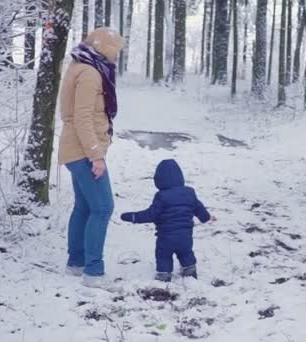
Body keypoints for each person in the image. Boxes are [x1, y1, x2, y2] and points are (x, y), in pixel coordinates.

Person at [57, 28, 124, 289]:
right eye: (115, 50)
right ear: (104, 48)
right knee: (103, 207)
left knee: (84, 206)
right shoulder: (89, 73)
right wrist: (96, 156)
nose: (117, 56)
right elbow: (82, 117)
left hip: (76, 148)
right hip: (83, 150)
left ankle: (76, 263)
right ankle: (93, 272)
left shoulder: (81, 65)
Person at [120, 159, 211, 282]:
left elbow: (151, 214)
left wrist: (133, 217)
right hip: (185, 236)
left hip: (166, 237)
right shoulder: (189, 193)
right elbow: (200, 210)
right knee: (186, 252)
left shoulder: (161, 196)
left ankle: (164, 274)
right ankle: (190, 270)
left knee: (163, 255)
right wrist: (205, 217)